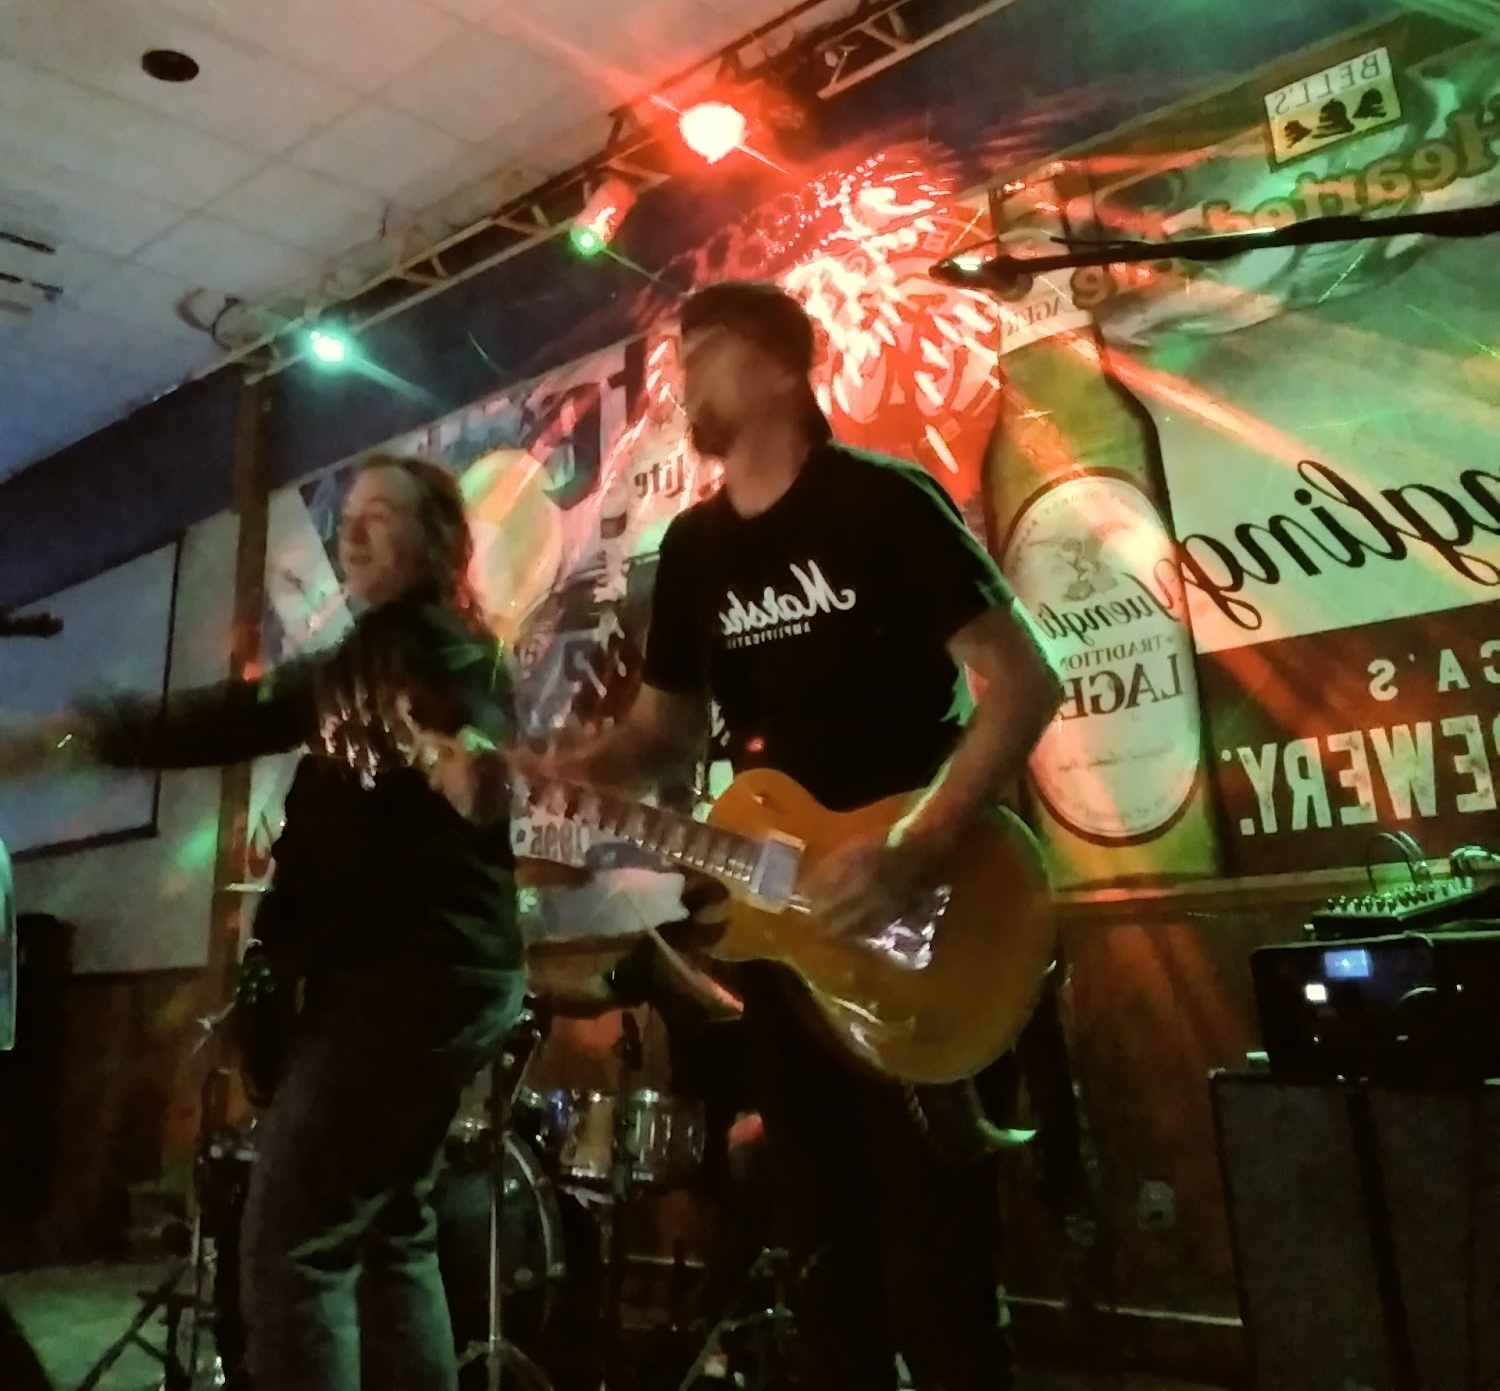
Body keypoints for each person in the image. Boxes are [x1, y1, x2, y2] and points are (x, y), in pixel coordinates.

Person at [424, 282, 1061, 1391]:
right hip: (783, 940)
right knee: (822, 1267)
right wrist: (538, 770)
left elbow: (1024, 683)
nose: (678, 378)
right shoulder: (696, 550)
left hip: (928, 910)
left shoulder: (882, 501)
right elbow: (660, 737)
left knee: (941, 1276)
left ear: (779, 364)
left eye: (701, 350)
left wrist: (915, 845)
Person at [0, 453, 525, 1391]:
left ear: (440, 542)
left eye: (380, 513)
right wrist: (75, 736)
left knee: (293, 1242)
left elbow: (465, 732)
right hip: (431, 979)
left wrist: (470, 763)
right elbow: (238, 715)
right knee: (389, 1232)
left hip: (408, 983)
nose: (351, 530)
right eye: (347, 514)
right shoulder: (365, 661)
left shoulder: (436, 648)